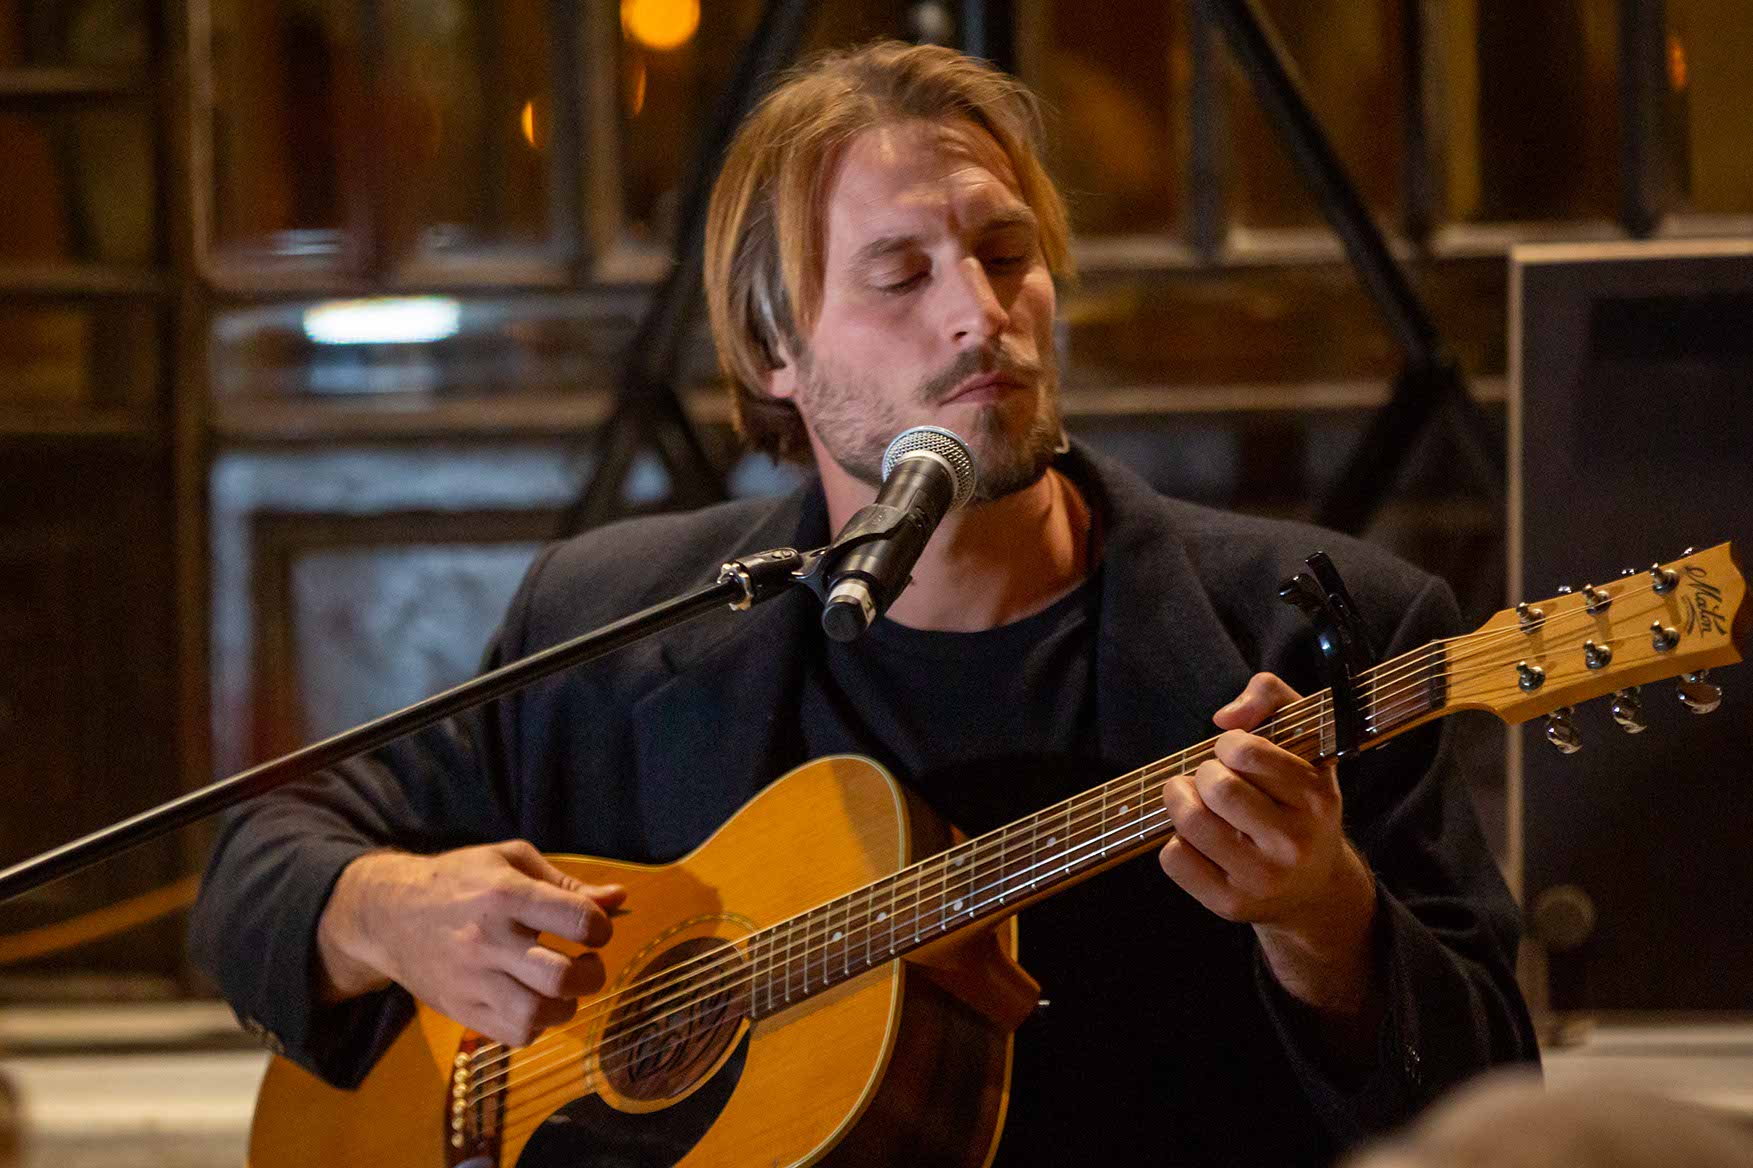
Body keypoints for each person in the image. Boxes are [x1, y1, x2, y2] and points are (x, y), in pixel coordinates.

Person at [190, 40, 1537, 1165]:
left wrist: (1326, 921)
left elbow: (1495, 1108)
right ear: (774, 346)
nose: (978, 314)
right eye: (900, 275)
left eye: (1005, 253)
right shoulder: (618, 620)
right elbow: (257, 863)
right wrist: (389, 910)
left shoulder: (1322, 633)